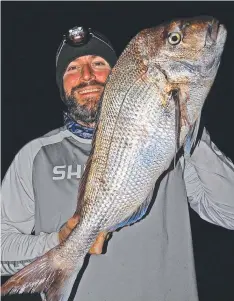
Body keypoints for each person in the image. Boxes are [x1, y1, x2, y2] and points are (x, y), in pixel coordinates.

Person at [1, 25, 234, 301]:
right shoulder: (36, 156)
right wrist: (56, 243)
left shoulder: (180, 146)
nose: (86, 76)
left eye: (98, 63)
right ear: (60, 83)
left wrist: (191, 132)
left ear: (122, 75)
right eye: (72, 68)